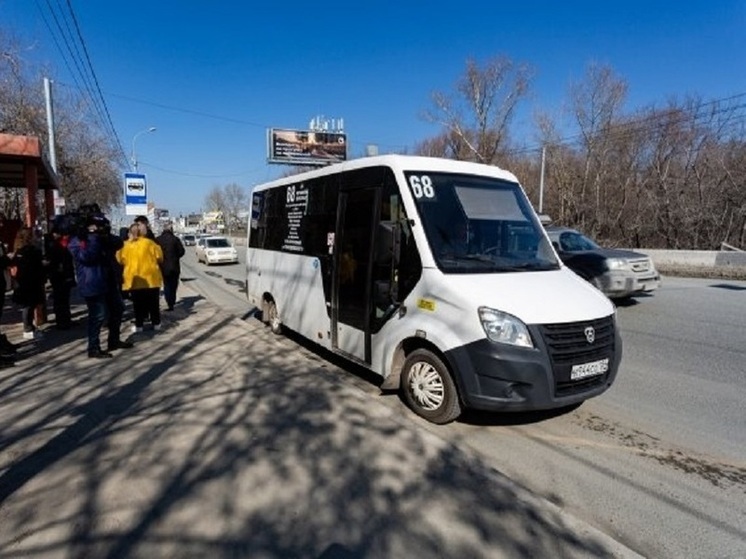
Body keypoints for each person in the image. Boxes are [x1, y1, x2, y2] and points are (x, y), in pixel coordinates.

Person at [68, 213, 126, 358]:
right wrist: (93, 237)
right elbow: (87, 258)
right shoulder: (78, 240)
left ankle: (114, 340)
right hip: (92, 282)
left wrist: (104, 235)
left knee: (118, 308)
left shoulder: (100, 238)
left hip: (108, 280)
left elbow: (119, 243)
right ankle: (93, 348)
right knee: (98, 316)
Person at [117, 222, 164, 332]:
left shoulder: (125, 245)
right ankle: (156, 323)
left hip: (135, 279)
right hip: (151, 277)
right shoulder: (150, 243)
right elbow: (160, 257)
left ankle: (139, 326)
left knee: (138, 304)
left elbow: (120, 260)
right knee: (153, 303)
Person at [10, 227, 46, 341]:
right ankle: (28, 328)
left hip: (23, 282)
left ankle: (29, 327)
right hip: (30, 282)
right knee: (28, 306)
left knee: (29, 305)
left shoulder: (18, 250)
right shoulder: (30, 251)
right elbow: (35, 266)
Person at [44, 226, 76, 329]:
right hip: (59, 274)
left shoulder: (57, 244)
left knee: (64, 299)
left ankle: (66, 319)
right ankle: (62, 321)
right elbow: (56, 259)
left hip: (62, 273)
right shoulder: (53, 244)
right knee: (60, 299)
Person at [155, 221, 185, 311]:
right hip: (175, 266)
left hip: (163, 267)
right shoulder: (175, 239)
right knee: (174, 285)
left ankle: (169, 302)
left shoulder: (158, 240)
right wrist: (175, 257)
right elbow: (182, 251)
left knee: (166, 284)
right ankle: (172, 301)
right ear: (171, 230)